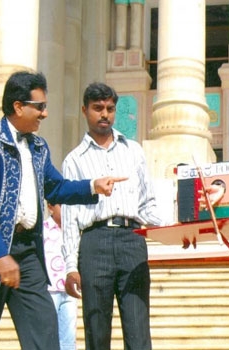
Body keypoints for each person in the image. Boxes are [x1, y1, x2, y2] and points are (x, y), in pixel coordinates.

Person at [0, 70, 124, 350]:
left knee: (44, 332)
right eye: (39, 107)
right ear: (18, 106)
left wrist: (93, 186)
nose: (45, 114)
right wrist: (0, 255)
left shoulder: (38, 147)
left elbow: (56, 188)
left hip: (27, 254)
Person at [62, 82, 164, 350]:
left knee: (138, 328)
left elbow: (147, 204)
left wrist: (175, 228)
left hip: (132, 240)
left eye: (110, 108)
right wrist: (71, 266)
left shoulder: (134, 151)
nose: (104, 114)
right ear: (85, 110)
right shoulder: (74, 160)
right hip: (95, 243)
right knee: (96, 329)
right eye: (98, 108)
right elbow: (70, 218)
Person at [44, 202, 77, 350]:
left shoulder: (74, 231)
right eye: (62, 206)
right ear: (50, 206)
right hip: (48, 290)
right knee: (47, 336)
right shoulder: (42, 229)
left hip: (70, 291)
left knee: (68, 338)